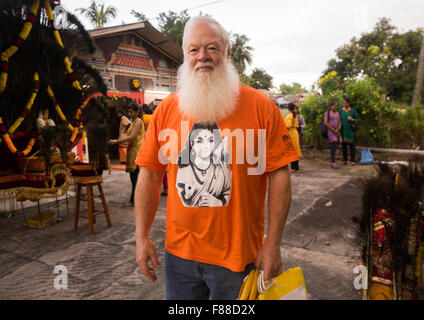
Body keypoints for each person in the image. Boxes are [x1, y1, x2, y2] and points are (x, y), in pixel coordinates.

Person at [133, 16, 299, 300]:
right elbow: (149, 174)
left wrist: (272, 244)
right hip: (179, 258)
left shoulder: (261, 107)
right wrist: (141, 236)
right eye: (194, 50)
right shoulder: (167, 110)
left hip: (239, 260)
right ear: (184, 57)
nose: (202, 57)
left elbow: (279, 174)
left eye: (212, 48)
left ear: (228, 51)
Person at [109, 102, 145, 206]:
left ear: (137, 112)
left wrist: (116, 141)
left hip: (136, 152)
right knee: (133, 178)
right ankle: (136, 199)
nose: (129, 114)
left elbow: (132, 137)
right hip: (131, 152)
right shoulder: (132, 122)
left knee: (135, 178)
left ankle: (134, 201)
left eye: (131, 112)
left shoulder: (138, 122)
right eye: (128, 112)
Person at [340, 97, 360, 165]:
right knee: (344, 146)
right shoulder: (340, 111)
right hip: (343, 131)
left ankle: (352, 160)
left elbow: (359, 119)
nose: (344, 104)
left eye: (345, 103)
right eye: (343, 103)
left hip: (351, 132)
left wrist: (352, 119)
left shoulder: (353, 111)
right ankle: (345, 160)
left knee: (352, 146)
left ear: (349, 103)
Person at [284, 103, 302, 172]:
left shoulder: (290, 115)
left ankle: (293, 167)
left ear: (288, 109)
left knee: (293, 150)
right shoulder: (294, 115)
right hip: (294, 133)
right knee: (295, 150)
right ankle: (295, 167)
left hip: (291, 133)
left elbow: (288, 126)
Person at [324, 102, 341, 169]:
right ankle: (333, 162)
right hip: (330, 132)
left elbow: (340, 122)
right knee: (333, 146)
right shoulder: (327, 113)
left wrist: (338, 129)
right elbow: (325, 122)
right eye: (334, 105)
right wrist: (333, 129)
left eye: (336, 106)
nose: (335, 107)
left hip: (337, 131)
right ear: (331, 106)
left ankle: (334, 161)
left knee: (335, 146)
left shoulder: (337, 113)